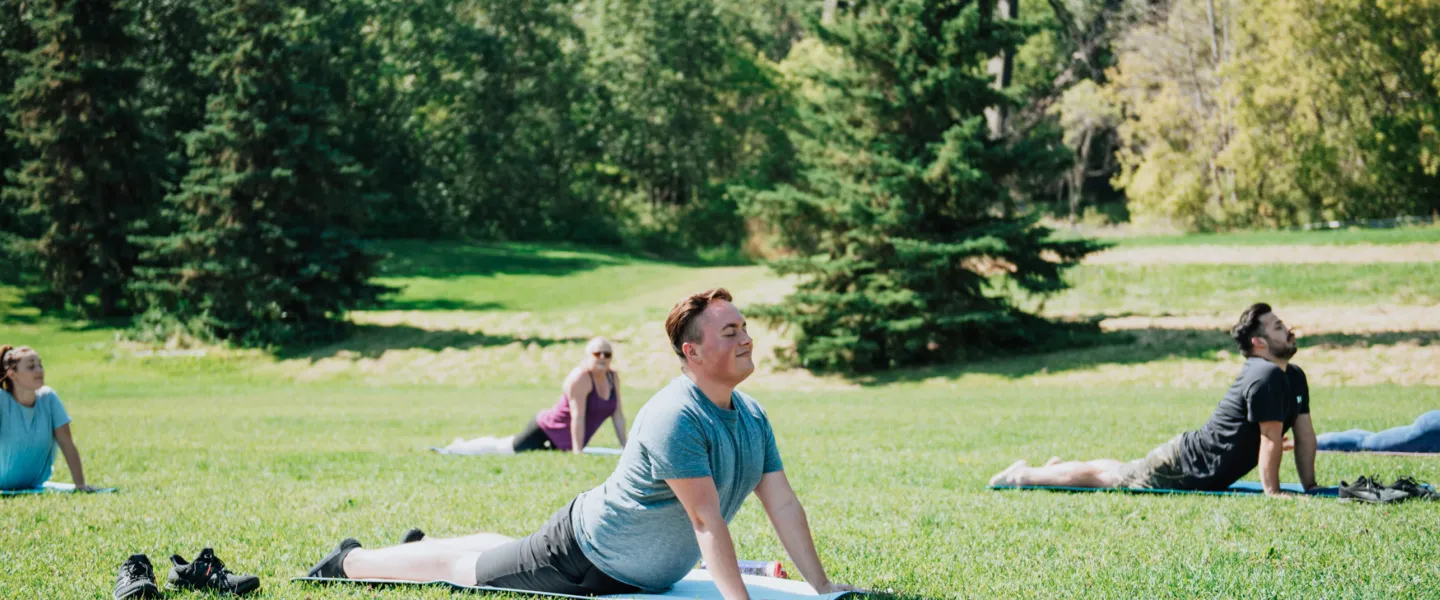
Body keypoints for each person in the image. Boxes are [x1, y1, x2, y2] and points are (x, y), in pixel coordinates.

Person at [307, 289, 856, 598]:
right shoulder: (676, 415)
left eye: (744, 328)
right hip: (586, 556)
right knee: (467, 571)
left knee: (492, 547)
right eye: (729, 332)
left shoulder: (752, 416)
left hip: (619, 558)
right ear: (691, 352)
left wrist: (825, 588)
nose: (746, 338)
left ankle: (408, 548)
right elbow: (707, 522)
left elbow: (782, 503)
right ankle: (350, 561)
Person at [988, 303, 1318, 498]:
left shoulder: (1293, 375)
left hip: (1189, 459)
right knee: (1107, 479)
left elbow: (1304, 435)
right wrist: (1273, 493)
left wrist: (1311, 486)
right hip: (1187, 466)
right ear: (1259, 342)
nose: (1287, 329)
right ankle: (1021, 476)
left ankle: (1055, 470)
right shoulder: (1264, 375)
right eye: (1278, 327)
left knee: (1118, 470)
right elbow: (1270, 439)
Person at [0, 345, 99, 492]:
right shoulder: (2, 400)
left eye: (40, 365)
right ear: (12, 374)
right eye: (31, 366)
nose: (39, 370)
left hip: (34, 483)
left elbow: (66, 443)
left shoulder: (48, 398)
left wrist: (80, 485)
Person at [512, 337, 627, 453]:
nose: (602, 357)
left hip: (566, 443)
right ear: (588, 356)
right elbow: (578, 416)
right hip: (546, 430)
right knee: (512, 449)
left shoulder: (612, 377)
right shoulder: (581, 378)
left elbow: (618, 415)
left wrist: (625, 447)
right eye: (597, 354)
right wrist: (577, 451)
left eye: (607, 354)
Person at [1309, 411, 1440, 453]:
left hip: (1433, 425)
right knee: (1366, 444)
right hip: (1431, 432)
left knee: (1367, 440)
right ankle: (1310, 442)